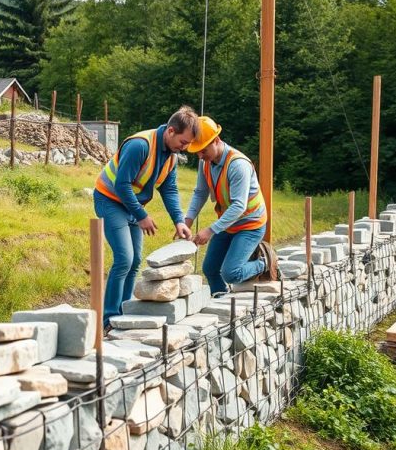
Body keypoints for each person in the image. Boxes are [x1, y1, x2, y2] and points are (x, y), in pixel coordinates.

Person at [93, 106, 198, 327]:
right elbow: (122, 184)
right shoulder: (140, 145)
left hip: (132, 206)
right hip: (110, 199)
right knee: (124, 259)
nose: (185, 148)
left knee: (135, 261)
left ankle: (124, 311)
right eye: (183, 142)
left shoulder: (171, 156)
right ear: (170, 131)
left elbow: (169, 190)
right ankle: (108, 319)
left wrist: (179, 220)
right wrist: (141, 215)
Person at [184, 116, 278, 295]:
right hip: (228, 223)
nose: (200, 156)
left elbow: (239, 206)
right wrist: (186, 221)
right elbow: (200, 193)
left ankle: (265, 261)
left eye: (203, 150)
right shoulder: (205, 162)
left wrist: (210, 231)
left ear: (217, 140)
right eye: (197, 152)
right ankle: (221, 300)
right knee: (210, 269)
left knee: (231, 273)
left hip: (250, 224)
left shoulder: (238, 165)